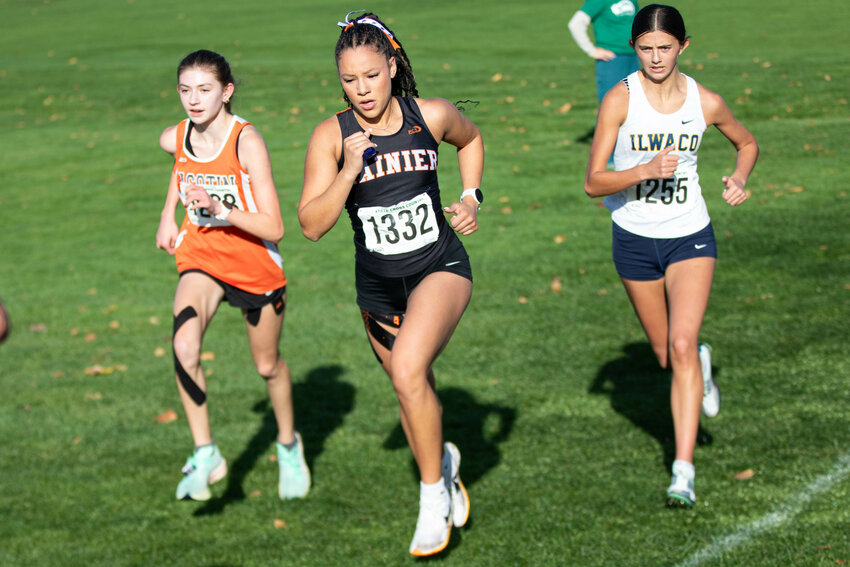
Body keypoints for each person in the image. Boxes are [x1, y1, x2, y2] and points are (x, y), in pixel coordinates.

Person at [298, 11, 483, 556]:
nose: (362, 89)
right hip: (378, 291)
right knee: (410, 388)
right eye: (350, 80)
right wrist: (348, 171)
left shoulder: (431, 114)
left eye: (372, 76)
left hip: (439, 268)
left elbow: (471, 140)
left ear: (392, 66)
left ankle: (431, 501)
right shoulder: (332, 136)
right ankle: (442, 464)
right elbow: (311, 225)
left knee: (406, 371)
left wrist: (471, 197)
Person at [583, 4, 758, 508]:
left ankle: (682, 472)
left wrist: (739, 178)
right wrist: (643, 170)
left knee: (679, 345)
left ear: (683, 46)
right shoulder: (620, 100)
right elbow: (594, 182)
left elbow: (747, 143)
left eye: (665, 47)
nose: (656, 57)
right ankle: (699, 361)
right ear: (633, 48)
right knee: (667, 354)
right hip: (633, 238)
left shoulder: (706, 101)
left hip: (689, 235)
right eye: (646, 48)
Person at [155, 49, 309, 503]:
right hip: (201, 255)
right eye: (185, 90)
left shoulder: (247, 142)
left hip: (253, 263)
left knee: (267, 366)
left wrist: (220, 206)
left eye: (204, 90)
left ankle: (288, 445)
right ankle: (206, 453)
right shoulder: (175, 136)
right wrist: (168, 214)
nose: (193, 100)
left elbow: (274, 227)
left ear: (226, 92)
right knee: (184, 346)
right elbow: (181, 165)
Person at [568, 0, 641, 105]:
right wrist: (592, 51)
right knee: (611, 105)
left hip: (634, 58)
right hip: (612, 60)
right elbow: (576, 23)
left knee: (635, 105)